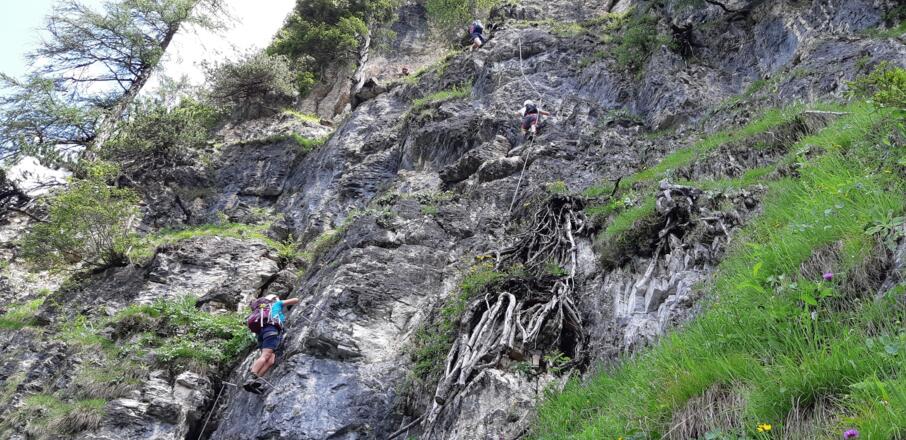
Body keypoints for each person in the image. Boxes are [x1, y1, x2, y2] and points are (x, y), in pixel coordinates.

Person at [243, 294, 300, 394]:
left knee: (270, 360)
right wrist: (283, 303)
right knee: (265, 356)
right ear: (273, 299)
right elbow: (296, 299)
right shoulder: (276, 304)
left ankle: (253, 382)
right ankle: (251, 376)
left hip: (261, 333)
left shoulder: (262, 309)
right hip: (271, 330)